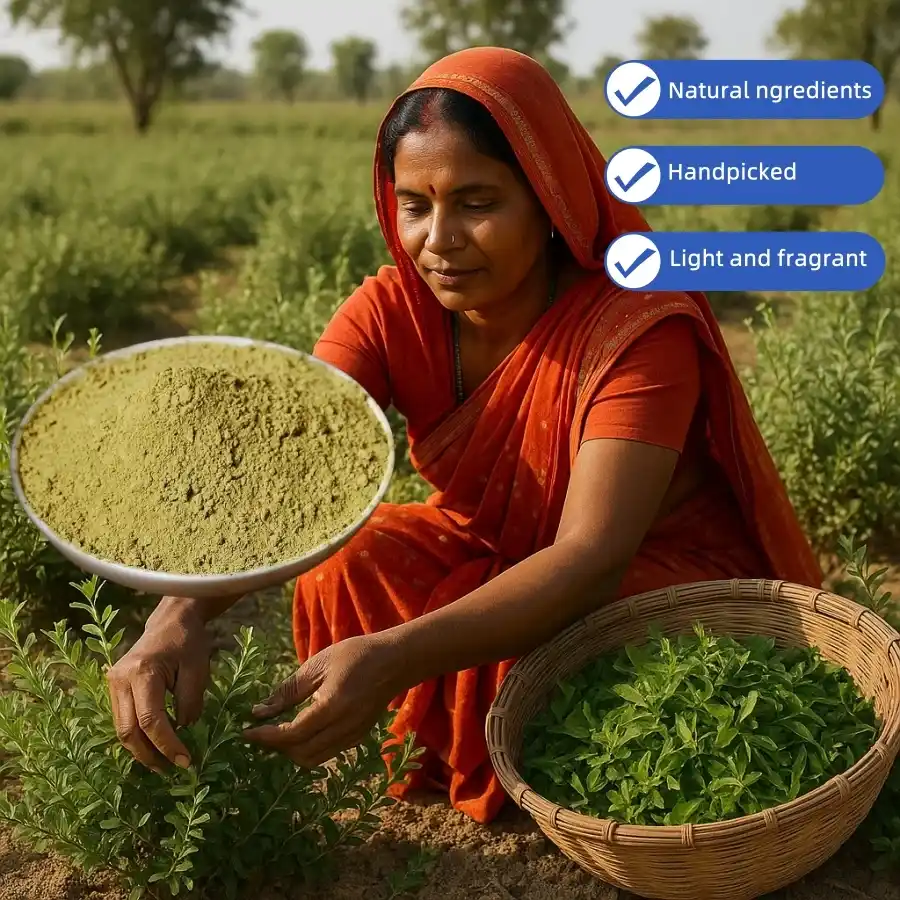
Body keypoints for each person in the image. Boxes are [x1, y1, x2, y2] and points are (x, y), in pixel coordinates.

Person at [106, 47, 822, 826]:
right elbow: (296, 470)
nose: (439, 239)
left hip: (640, 578)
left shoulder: (636, 332)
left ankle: (499, 748)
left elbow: (589, 560)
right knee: (346, 559)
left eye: (476, 202)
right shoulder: (388, 312)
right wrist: (175, 613)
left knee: (569, 651)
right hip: (494, 556)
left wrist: (397, 655)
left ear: (550, 201)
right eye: (415, 205)